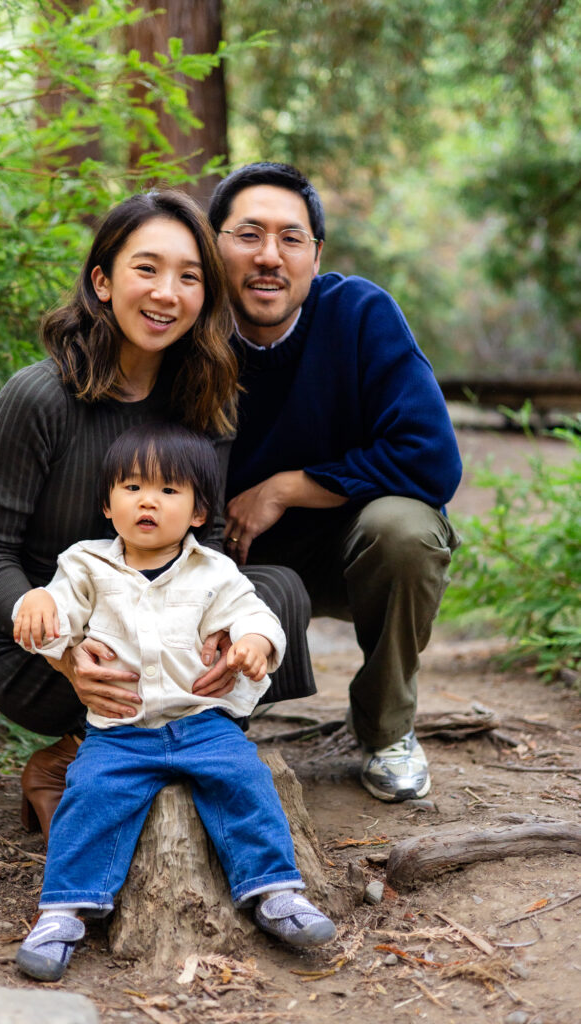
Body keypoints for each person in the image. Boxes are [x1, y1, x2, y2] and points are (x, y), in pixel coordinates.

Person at [0, 190, 315, 842]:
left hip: (159, 627)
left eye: (189, 277)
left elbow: (203, 539)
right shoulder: (38, 398)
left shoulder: (206, 399)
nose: (167, 293)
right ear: (102, 280)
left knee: (277, 598)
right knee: (101, 641)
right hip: (47, 647)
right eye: (146, 269)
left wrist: (219, 628)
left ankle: (164, 759)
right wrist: (63, 651)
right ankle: (70, 753)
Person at [13, 423, 336, 981]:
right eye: (132, 487)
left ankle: (276, 891)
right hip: (120, 727)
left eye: (168, 490)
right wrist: (39, 602)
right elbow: (59, 615)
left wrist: (257, 640)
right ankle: (63, 910)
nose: (148, 501)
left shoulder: (213, 571)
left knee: (244, 779)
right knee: (91, 793)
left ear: (195, 513)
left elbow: (251, 613)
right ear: (108, 506)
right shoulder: (85, 564)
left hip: (201, 721)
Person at [207, 162, 463, 803]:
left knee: (404, 530)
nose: (270, 256)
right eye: (248, 235)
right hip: (230, 558)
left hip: (349, 549)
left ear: (315, 256)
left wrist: (286, 487)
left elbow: (433, 458)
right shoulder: (187, 328)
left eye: (291, 238)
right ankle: (207, 719)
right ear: (214, 246)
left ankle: (385, 729)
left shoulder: (359, 315)